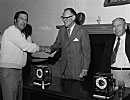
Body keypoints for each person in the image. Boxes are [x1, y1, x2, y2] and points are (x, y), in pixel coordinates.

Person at [0, 11, 45, 100]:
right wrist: (44, 48)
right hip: (9, 71)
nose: (24, 21)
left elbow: (27, 48)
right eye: (21, 18)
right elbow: (26, 46)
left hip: (18, 71)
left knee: (18, 97)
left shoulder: (22, 35)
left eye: (26, 20)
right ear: (15, 20)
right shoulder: (11, 31)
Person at [44, 8, 91, 80]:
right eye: (63, 18)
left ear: (73, 18)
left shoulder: (82, 31)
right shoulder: (62, 30)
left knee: (76, 90)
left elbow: (86, 52)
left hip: (77, 69)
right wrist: (51, 48)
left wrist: (85, 69)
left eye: (66, 18)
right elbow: (58, 43)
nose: (64, 20)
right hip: (64, 68)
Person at [99, 17, 130, 87]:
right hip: (111, 75)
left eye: (119, 25)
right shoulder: (109, 41)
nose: (116, 29)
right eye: (114, 26)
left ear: (125, 26)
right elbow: (104, 60)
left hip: (127, 74)